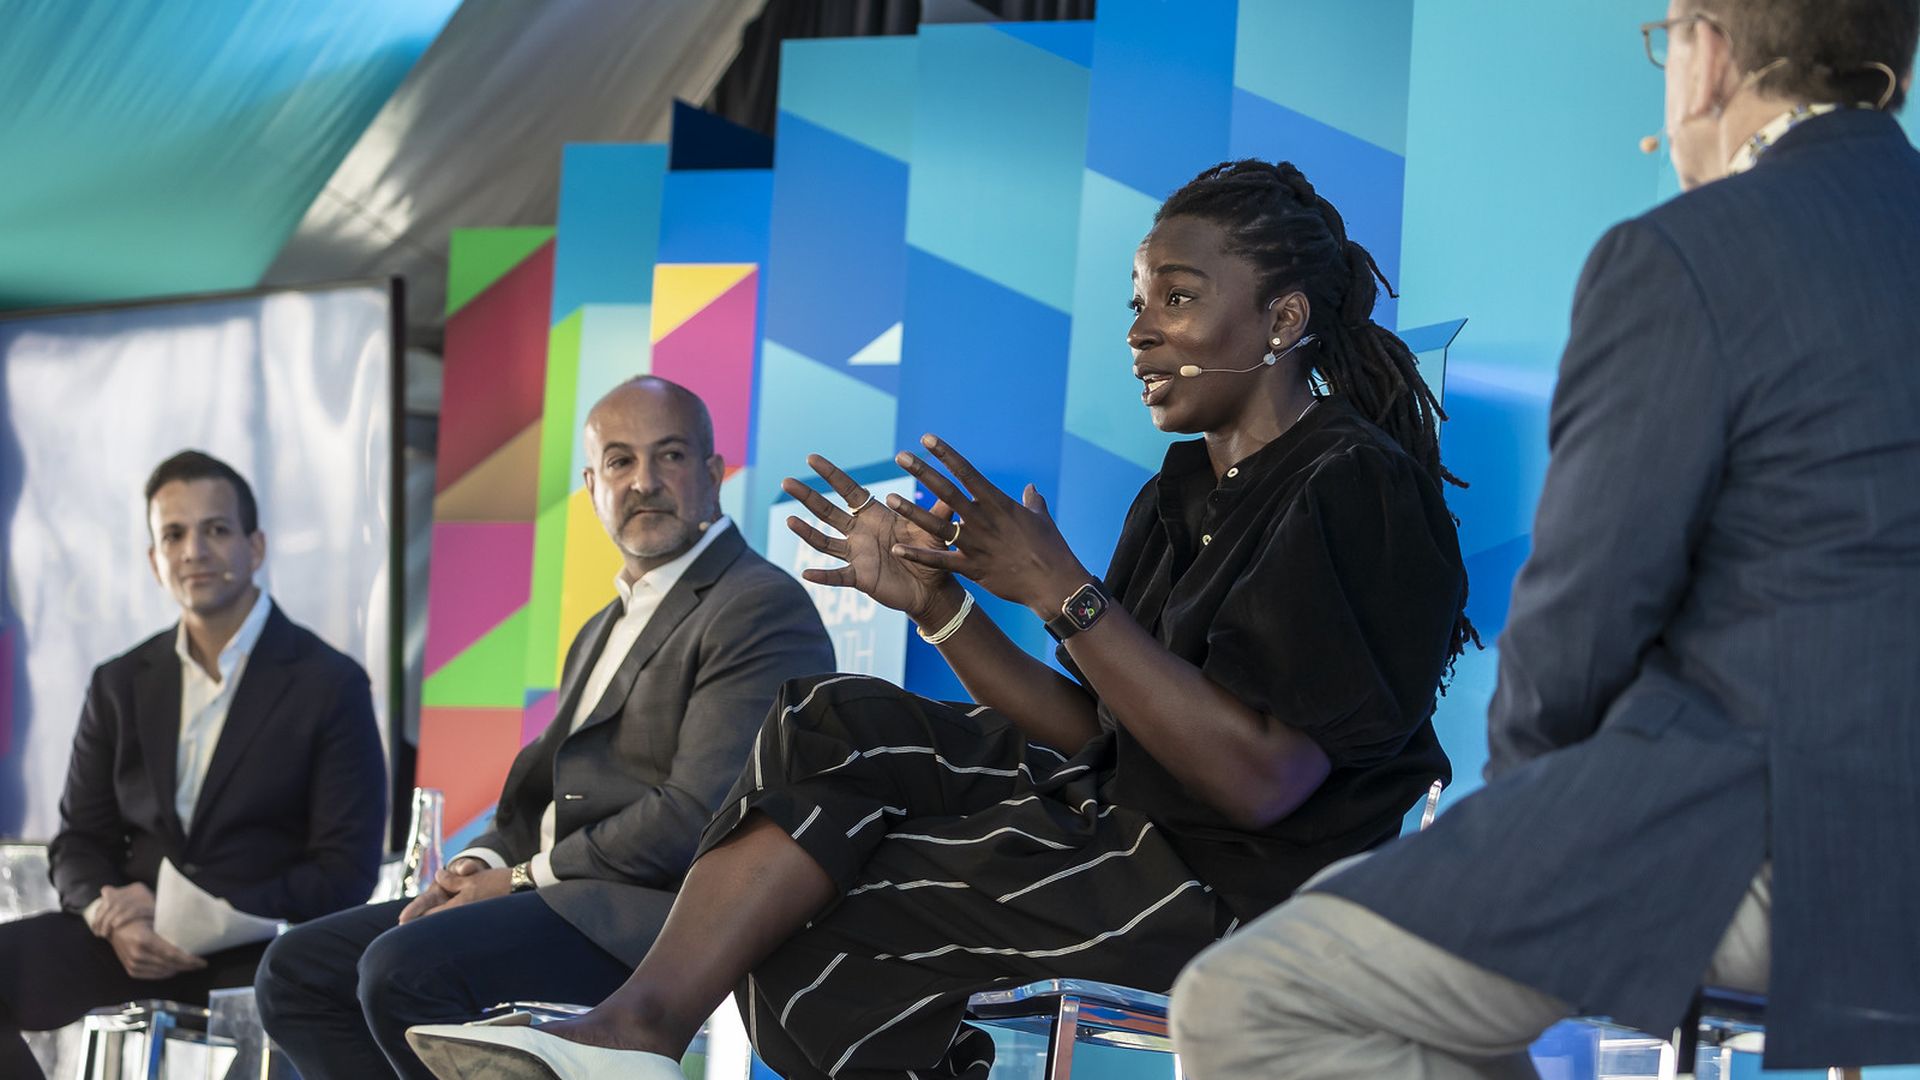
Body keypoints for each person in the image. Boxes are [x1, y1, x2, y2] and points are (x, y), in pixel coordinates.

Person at [405, 159, 1474, 1080]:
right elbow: (1101, 729)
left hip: (1236, 882)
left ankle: (632, 1035)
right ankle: (635, 1036)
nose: (1143, 332)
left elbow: (1261, 779)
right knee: (825, 719)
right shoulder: (1180, 489)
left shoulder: (1353, 485)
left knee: (842, 923)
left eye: (1179, 299)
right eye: (1138, 302)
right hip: (1126, 810)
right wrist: (945, 607)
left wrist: (1065, 593)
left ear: (1283, 320)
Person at [1169, 2, 1920, 1076]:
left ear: (1704, 53)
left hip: (1773, 843)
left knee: (1254, 999)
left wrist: (1526, 832)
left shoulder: (1684, 255)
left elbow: (1583, 617)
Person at [254, 376, 834, 1080]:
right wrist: (478, 867)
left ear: (713, 474)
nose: (644, 481)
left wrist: (524, 877)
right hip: (559, 892)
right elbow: (548, 801)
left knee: (401, 970)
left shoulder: (758, 604)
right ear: (592, 486)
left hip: (655, 921)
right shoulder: (599, 627)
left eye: (670, 456)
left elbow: (700, 817)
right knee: (300, 970)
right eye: (620, 462)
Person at [0, 450, 387, 1079]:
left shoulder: (330, 684)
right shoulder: (120, 683)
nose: (193, 551)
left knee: (296, 1004)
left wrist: (193, 916)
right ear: (154, 560)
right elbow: (78, 841)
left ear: (255, 546)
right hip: (126, 943)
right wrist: (109, 914)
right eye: (173, 535)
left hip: (260, 950)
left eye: (216, 529)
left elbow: (344, 871)